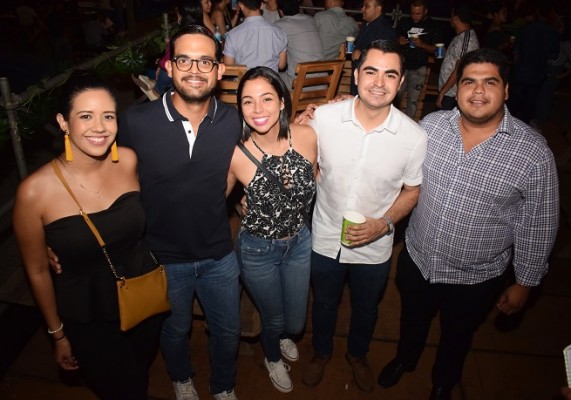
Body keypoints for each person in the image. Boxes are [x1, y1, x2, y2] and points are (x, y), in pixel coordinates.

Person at [377, 48, 559, 400]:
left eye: (489, 82)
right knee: (411, 320)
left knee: (457, 336)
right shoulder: (431, 126)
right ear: (456, 88)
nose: (478, 91)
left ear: (505, 90)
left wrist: (525, 282)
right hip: (418, 258)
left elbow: (539, 224)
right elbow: (394, 150)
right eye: (469, 82)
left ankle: (444, 382)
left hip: (475, 277)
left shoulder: (533, 153)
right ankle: (405, 359)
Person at [13, 71, 163, 400]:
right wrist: (57, 334)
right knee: (126, 390)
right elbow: (37, 271)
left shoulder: (128, 161)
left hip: (143, 300)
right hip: (88, 314)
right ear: (63, 122)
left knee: (138, 375)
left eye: (108, 116)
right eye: (85, 116)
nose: (99, 127)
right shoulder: (34, 192)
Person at [120, 25, 242, 400]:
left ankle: (223, 385)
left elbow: (272, 135)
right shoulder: (136, 122)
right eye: (184, 60)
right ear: (169, 67)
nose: (194, 69)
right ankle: (181, 377)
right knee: (174, 330)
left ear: (219, 71)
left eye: (205, 60)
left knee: (228, 330)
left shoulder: (234, 120)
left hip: (218, 252)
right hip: (161, 257)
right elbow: (107, 179)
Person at [299, 40, 428, 393]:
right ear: (356, 76)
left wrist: (383, 224)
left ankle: (357, 355)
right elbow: (299, 156)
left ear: (401, 83)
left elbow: (412, 191)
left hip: (375, 246)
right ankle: (321, 352)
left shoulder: (414, 138)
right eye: (371, 71)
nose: (379, 82)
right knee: (324, 302)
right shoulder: (324, 118)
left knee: (367, 309)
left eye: (390, 74)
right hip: (325, 235)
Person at [227, 66, 317, 393]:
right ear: (240, 109)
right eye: (248, 101)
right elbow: (212, 200)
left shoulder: (307, 136)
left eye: (267, 98)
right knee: (274, 319)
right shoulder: (236, 154)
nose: (258, 109)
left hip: (300, 242)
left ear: (282, 101)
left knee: (294, 322)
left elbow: (315, 179)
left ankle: (280, 338)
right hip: (258, 251)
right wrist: (239, 203)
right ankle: (271, 355)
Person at [508, 2, 560, 124]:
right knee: (530, 102)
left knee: (514, 102)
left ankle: (509, 128)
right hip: (538, 73)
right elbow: (554, 54)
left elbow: (516, 52)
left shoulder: (526, 29)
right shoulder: (552, 32)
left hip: (521, 71)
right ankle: (524, 128)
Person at [395, 0, 443, 119]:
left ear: (425, 11)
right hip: (402, 66)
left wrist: (422, 45)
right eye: (412, 13)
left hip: (419, 68)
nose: (414, 16)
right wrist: (398, 41)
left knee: (412, 102)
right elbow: (393, 40)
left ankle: (408, 131)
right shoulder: (405, 22)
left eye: (418, 14)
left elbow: (438, 50)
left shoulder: (432, 26)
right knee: (395, 98)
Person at [436, 3, 479, 110]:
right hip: (449, 92)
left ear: (455, 19)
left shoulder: (466, 40)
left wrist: (443, 92)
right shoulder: (461, 36)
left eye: (451, 17)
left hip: (453, 93)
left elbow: (460, 68)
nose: (450, 20)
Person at [223, 0, 288, 71]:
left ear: (241, 5)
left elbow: (229, 68)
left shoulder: (233, 34)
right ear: (261, 5)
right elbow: (282, 65)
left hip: (245, 80)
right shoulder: (279, 32)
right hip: (270, 80)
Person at [274, 0, 324, 89]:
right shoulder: (310, 20)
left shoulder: (279, 25)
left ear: (280, 11)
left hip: (300, 83)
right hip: (322, 81)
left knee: (269, 78)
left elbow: (277, 61)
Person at [350, 0, 396, 94]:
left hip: (371, 85)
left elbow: (385, 58)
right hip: (361, 79)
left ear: (378, 8)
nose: (362, 9)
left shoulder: (384, 29)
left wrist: (361, 55)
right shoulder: (367, 25)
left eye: (367, 6)